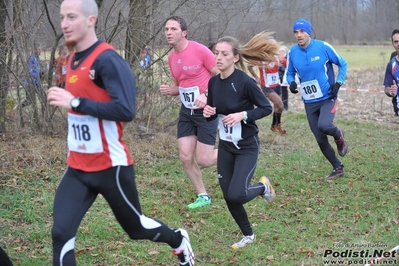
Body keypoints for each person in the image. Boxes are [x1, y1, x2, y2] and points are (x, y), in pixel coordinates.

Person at [47, 1, 194, 265]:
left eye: (72, 17)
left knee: (136, 228)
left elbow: (125, 109)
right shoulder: (69, 59)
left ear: (91, 20)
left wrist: (76, 103)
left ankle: (177, 239)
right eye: (61, 17)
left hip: (110, 167)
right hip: (77, 167)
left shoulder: (107, 59)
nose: (65, 24)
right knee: (61, 232)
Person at [203, 32, 277, 249]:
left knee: (237, 194)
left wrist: (242, 115)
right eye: (216, 53)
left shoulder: (245, 82)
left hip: (246, 146)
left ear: (235, 58)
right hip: (225, 146)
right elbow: (212, 111)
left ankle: (263, 188)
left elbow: (266, 108)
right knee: (229, 196)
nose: (218, 57)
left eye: (224, 54)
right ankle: (248, 235)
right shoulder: (213, 83)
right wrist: (207, 112)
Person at [160, 16, 219, 209]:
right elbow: (180, 86)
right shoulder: (171, 58)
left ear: (184, 33)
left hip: (206, 110)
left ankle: (238, 148)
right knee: (185, 157)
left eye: (173, 29)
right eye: (167, 29)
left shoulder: (199, 50)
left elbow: (221, 76)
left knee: (205, 160)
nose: (169, 32)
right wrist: (171, 91)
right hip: (187, 112)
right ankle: (203, 196)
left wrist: (207, 94)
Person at [286, 19, 348, 180]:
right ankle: (338, 167)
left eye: (302, 31)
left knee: (325, 125)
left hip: (328, 96)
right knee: (320, 139)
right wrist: (291, 82)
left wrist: (339, 83)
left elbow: (343, 64)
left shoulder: (323, 47)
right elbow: (289, 72)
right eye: (296, 32)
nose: (299, 35)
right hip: (309, 101)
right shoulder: (292, 52)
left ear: (309, 32)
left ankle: (339, 136)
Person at [248, 42, 287, 134]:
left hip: (277, 84)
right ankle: (275, 125)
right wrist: (256, 77)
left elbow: (287, 63)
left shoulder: (278, 56)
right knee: (280, 105)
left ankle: (275, 126)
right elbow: (249, 66)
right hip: (266, 86)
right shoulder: (261, 57)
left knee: (277, 107)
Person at [383, 29, 399, 117]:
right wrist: (391, 92)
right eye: (396, 42)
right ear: (393, 44)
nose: (398, 44)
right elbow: (387, 88)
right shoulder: (391, 64)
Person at [279, 46, 289, 110]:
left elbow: (288, 68)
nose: (281, 52)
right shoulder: (277, 59)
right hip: (278, 79)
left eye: (283, 51)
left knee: (284, 92)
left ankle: (285, 106)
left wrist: (281, 67)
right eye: (280, 51)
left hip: (284, 79)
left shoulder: (287, 59)